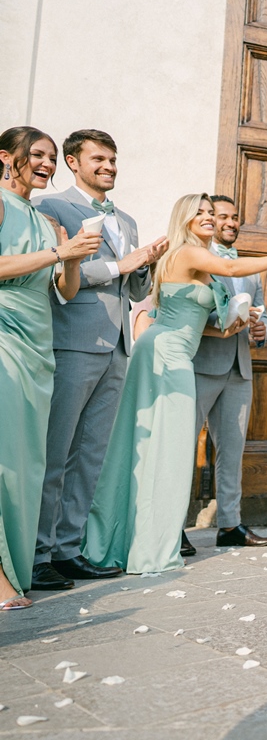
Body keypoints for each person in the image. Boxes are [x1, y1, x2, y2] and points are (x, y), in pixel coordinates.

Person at [82, 194, 267, 574]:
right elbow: (227, 270)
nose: (209, 218)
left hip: (177, 353)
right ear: (185, 220)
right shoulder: (188, 253)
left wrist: (243, 322)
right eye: (202, 213)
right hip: (168, 355)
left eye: (212, 213)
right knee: (167, 449)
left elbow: (214, 326)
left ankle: (153, 534)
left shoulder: (197, 261)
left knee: (162, 450)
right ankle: (154, 537)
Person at [32, 129, 167, 590]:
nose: (109, 167)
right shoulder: (52, 208)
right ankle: (37, 554)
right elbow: (57, 271)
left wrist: (144, 264)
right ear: (74, 162)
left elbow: (134, 291)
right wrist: (119, 266)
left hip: (117, 348)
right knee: (57, 451)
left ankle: (69, 549)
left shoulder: (125, 220)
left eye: (113, 160)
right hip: (72, 342)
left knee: (90, 455)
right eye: (99, 159)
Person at [0, 127, 102, 609]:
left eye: (50, 157)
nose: (46, 163)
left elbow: (64, 291)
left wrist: (74, 255)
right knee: (5, 460)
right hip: (4, 336)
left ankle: (21, 563)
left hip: (41, 343)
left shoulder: (45, 220)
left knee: (28, 462)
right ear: (6, 157)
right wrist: (59, 252)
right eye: (35, 155)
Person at [187, 194, 267, 554]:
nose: (231, 222)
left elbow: (262, 312)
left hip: (239, 367)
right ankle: (171, 529)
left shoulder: (249, 267)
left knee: (233, 449)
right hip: (199, 364)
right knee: (181, 447)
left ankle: (230, 524)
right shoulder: (195, 258)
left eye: (235, 217)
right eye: (223, 216)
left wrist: (261, 330)